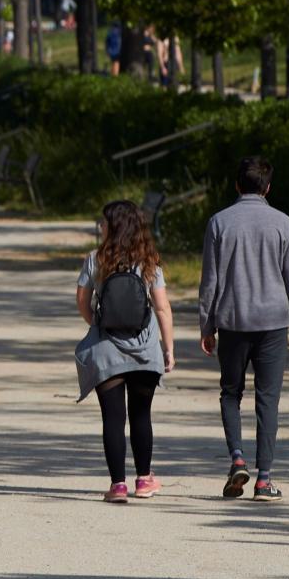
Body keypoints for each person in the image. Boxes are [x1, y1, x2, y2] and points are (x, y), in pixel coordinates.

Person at [198, 156, 289, 502]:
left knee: (231, 394)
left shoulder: (219, 223)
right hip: (273, 323)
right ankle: (264, 480)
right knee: (267, 399)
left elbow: (209, 283)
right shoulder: (283, 223)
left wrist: (207, 325)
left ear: (236, 185)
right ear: (268, 187)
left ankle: (237, 458)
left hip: (232, 322)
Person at [74, 201, 175, 504]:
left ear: (113, 227)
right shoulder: (149, 262)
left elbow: (81, 300)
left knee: (113, 419)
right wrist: (168, 349)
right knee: (141, 416)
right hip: (145, 351)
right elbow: (162, 308)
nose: (101, 228)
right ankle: (144, 480)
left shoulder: (95, 260)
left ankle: (117, 485)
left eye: (104, 223)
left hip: (107, 351)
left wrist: (98, 324)